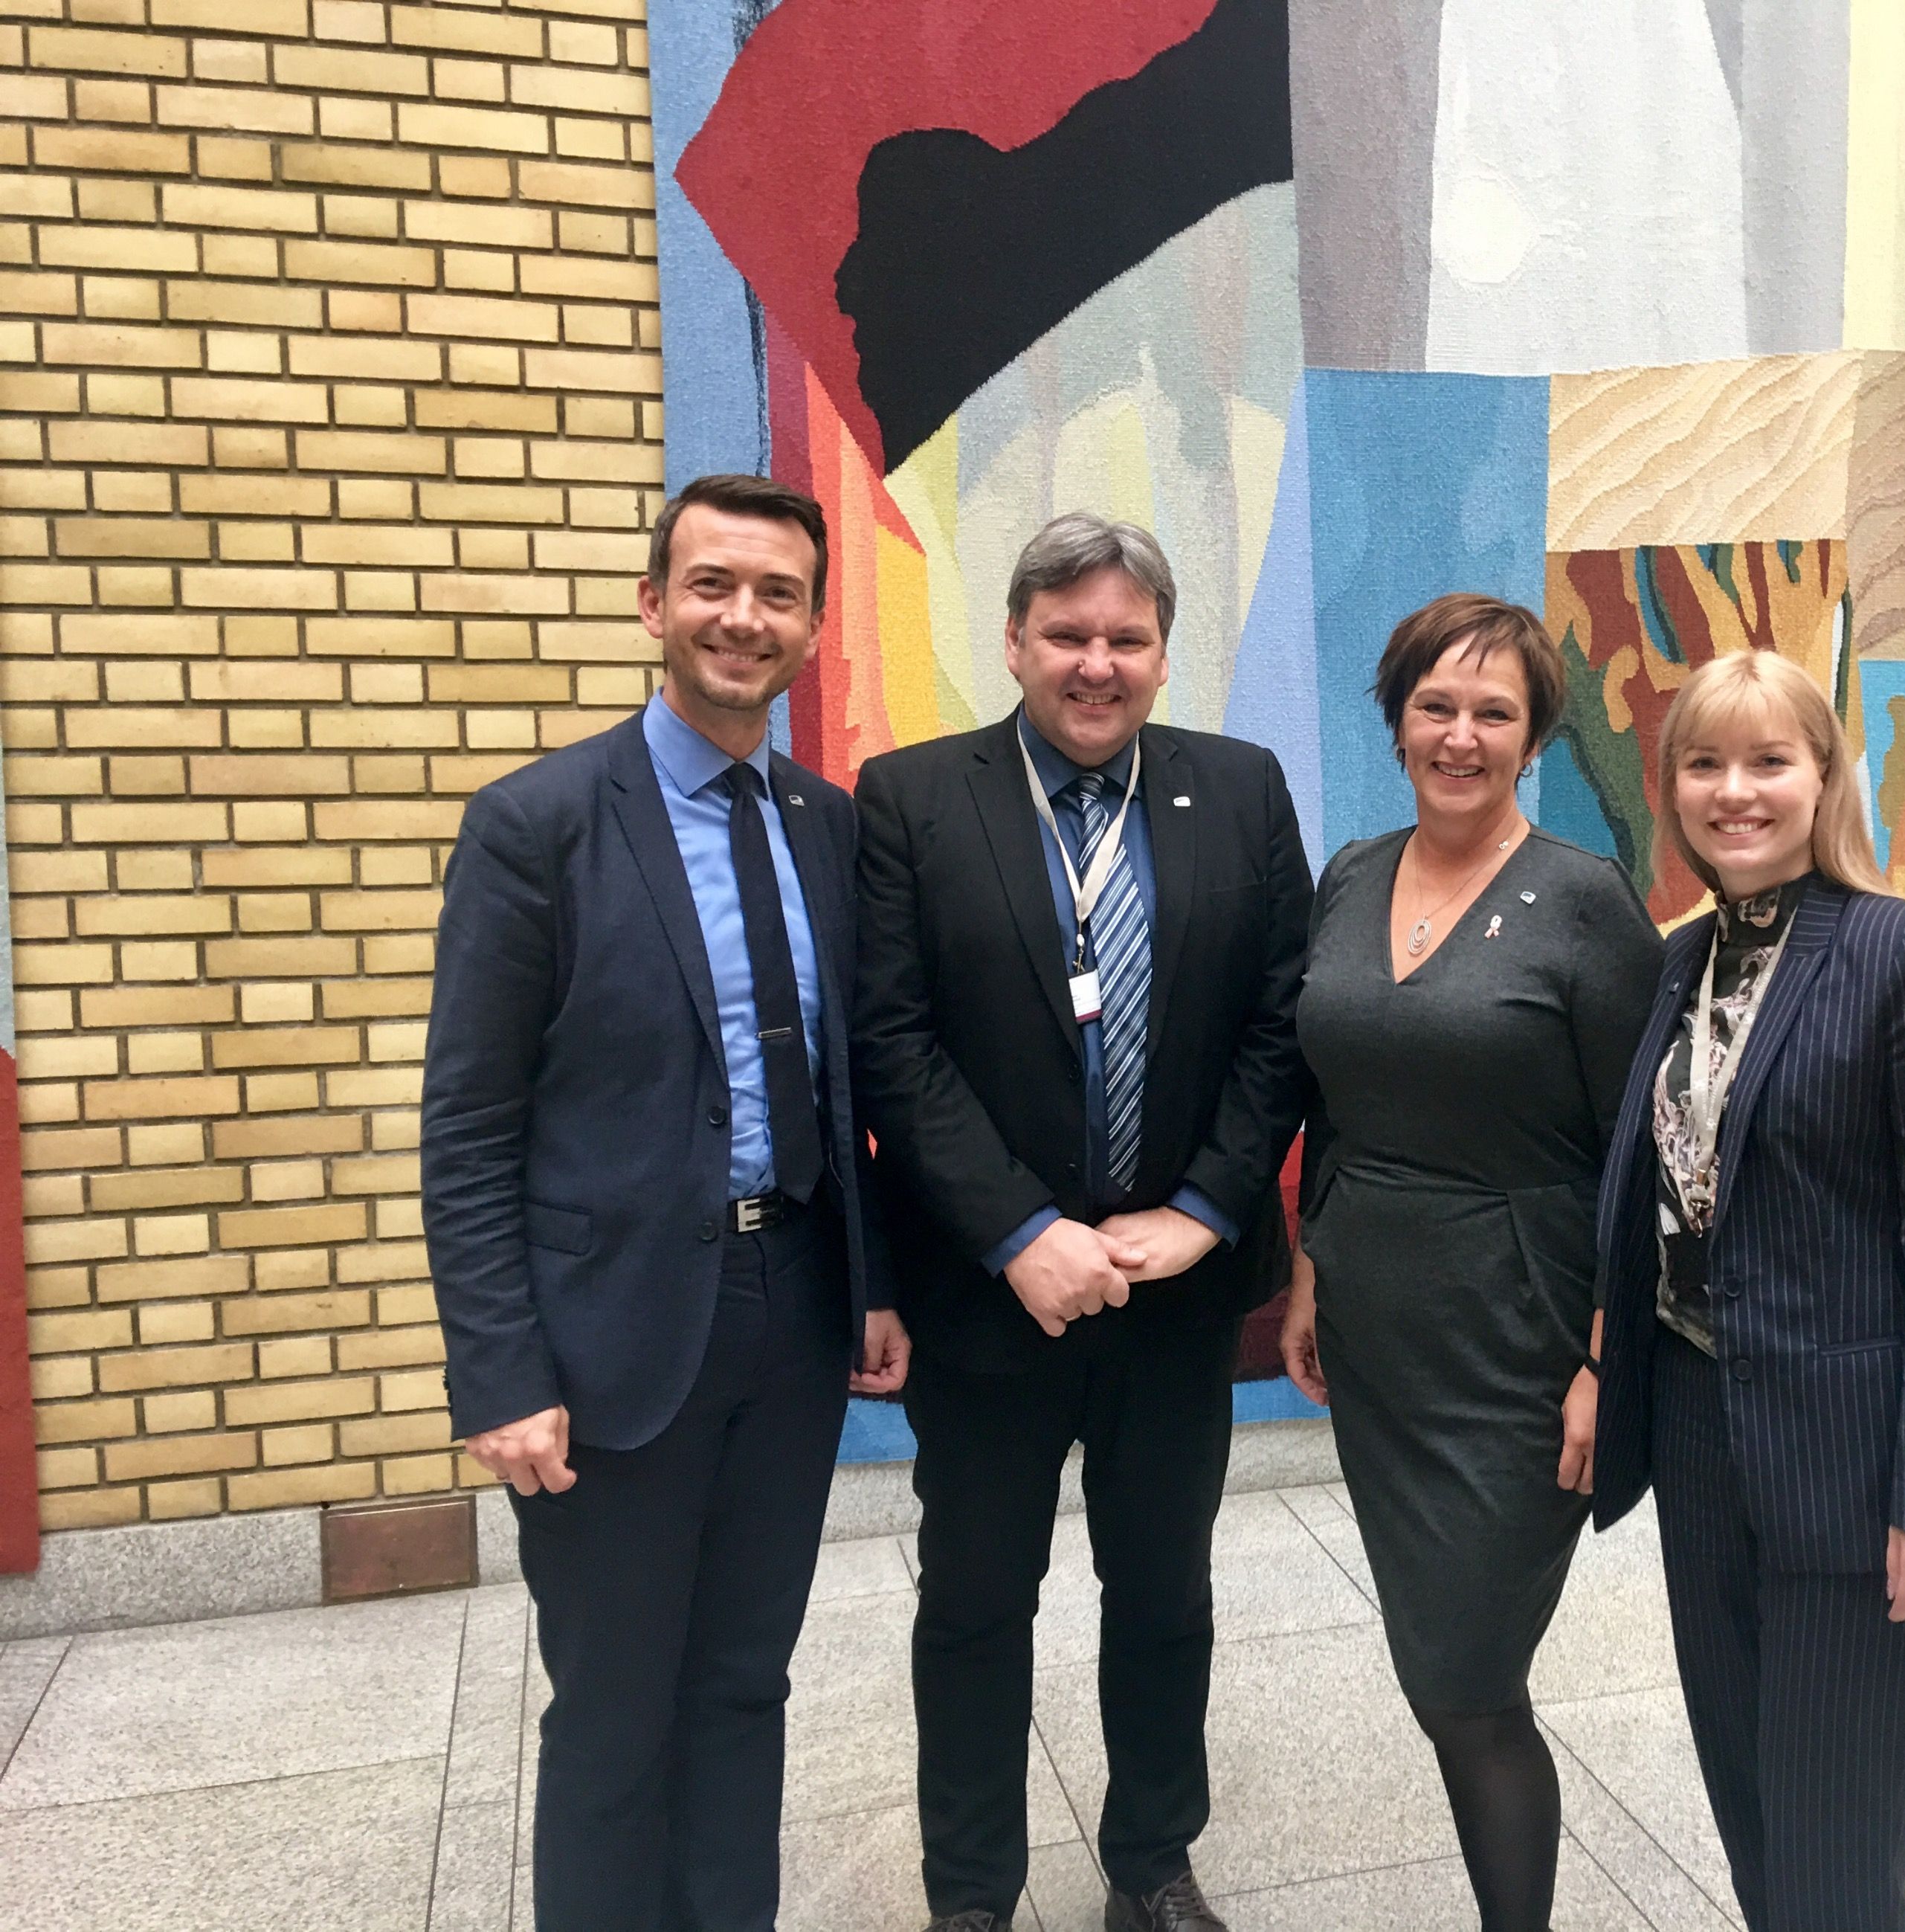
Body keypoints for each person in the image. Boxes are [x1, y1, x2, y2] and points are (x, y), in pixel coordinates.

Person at [422, 471, 911, 1931]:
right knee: (616, 1709)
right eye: (713, 585)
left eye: (778, 594)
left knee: (744, 1683)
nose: (743, 618)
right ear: (654, 604)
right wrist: (501, 1371)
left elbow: (846, 1082)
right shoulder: (539, 825)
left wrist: (873, 1283)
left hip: (790, 1314)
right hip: (611, 1340)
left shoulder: (827, 826)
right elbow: (469, 1126)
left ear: (811, 627)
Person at [851, 512, 1312, 1932]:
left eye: (1126, 637)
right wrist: (1018, 1232)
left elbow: (1280, 1024)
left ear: (1164, 653)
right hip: (988, 1297)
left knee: (1164, 1594)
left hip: (1173, 1297)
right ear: (1013, 642)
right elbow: (890, 1042)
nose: (1095, 663)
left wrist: (1206, 1208)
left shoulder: (1240, 790)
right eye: (1067, 634)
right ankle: (970, 1893)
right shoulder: (912, 799)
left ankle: (1152, 1865)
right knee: (976, 1602)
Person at [1589, 648, 1905, 1932]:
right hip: (1699, 1435)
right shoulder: (1683, 960)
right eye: (1705, 763)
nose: (1735, 791)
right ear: (1674, 788)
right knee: (1755, 1817)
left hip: (1852, 1461)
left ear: (1824, 777)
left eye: (1769, 760)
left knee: (1836, 1843)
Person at [1279, 593, 1663, 1932]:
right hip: (1379, 1321)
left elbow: (1641, 1151)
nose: (1461, 734)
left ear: (1533, 737)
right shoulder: (1350, 874)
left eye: (1494, 712)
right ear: (1396, 722)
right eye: (1436, 705)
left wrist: (1609, 1361)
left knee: (1466, 1674)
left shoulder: (1584, 902)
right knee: (1436, 1667)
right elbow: (1335, 1097)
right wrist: (1312, 1268)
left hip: (1521, 1333)